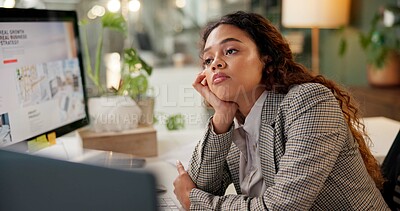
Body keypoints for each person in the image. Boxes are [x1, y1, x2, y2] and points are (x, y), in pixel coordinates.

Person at [173, 11, 390, 210]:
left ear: (266, 58)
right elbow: (200, 187)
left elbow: (282, 208)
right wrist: (221, 117)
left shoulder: (309, 102)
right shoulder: (237, 122)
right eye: (208, 59)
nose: (215, 64)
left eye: (230, 51)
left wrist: (196, 201)